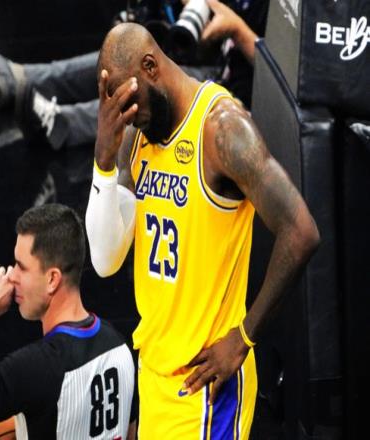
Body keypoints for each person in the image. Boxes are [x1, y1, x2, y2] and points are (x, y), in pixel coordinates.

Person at [85, 22, 319, 438]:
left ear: (151, 67)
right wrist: (103, 163)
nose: (131, 118)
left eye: (132, 103)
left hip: (207, 387)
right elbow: (105, 261)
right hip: (155, 371)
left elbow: (300, 232)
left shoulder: (222, 130)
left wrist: (243, 337)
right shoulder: (136, 136)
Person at [0, 204, 136, 439]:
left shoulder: (37, 369)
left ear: (52, 279)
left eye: (21, 267)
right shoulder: (120, 347)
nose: (11, 275)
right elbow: (130, 433)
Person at [0, 0, 267, 151]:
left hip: (245, 97)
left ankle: (67, 123)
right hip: (216, 66)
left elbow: (282, 74)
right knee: (124, 52)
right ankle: (21, 79)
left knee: (150, 77)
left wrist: (236, 29)